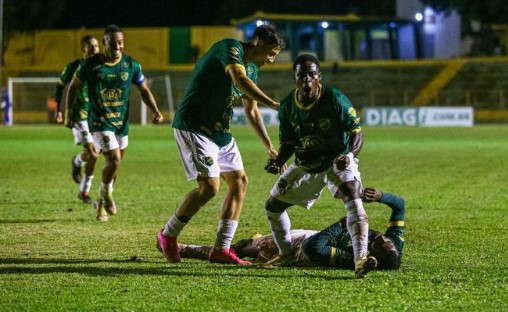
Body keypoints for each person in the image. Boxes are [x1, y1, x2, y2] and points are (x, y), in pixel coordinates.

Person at [156, 24, 286, 265]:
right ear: (258, 43)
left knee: (239, 182)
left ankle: (221, 249)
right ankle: (167, 235)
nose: (271, 60)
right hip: (194, 126)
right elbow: (238, 78)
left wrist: (269, 146)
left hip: (220, 132)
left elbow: (252, 111)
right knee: (209, 187)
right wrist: (275, 104)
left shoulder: (252, 69)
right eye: (270, 53)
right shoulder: (229, 48)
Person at [262, 54, 372, 278]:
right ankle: (287, 254)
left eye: (311, 73)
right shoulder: (286, 106)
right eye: (301, 74)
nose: (307, 78)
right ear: (294, 77)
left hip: (336, 160)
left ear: (319, 76)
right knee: (272, 206)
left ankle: (360, 258)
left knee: (352, 193)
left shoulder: (334, 98)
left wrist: (349, 156)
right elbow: (288, 143)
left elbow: (356, 133)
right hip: (306, 164)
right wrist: (278, 161)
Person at [64, 25, 164, 222]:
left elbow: (143, 89)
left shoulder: (131, 64)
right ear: (104, 43)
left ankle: (101, 202)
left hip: (121, 124)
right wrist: (67, 113)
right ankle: (106, 197)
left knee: (114, 167)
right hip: (99, 122)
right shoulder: (91, 65)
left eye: (120, 42)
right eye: (112, 43)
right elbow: (73, 87)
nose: (117, 46)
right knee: (114, 160)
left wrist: (156, 111)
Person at [175, 188, 405, 272]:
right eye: (387, 240)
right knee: (248, 245)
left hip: (299, 251)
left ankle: (186, 250)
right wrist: (381, 197)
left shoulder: (352, 257)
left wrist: (343, 223)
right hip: (307, 234)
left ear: (371, 253)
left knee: (245, 248)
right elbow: (400, 205)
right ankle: (192, 249)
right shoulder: (394, 245)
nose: (383, 238)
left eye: (380, 243)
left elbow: (314, 248)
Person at [54, 34, 100, 204]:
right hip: (78, 114)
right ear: (84, 49)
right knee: (94, 155)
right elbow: (60, 86)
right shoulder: (74, 66)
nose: (94, 48)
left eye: (96, 45)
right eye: (90, 46)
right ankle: (84, 192)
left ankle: (77, 160)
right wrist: (60, 110)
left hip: (95, 116)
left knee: (93, 153)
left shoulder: (100, 66)